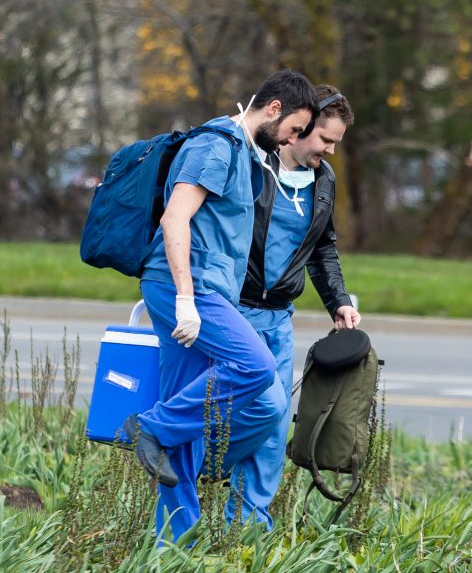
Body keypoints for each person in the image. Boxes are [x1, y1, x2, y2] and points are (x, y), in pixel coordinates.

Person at [128, 69, 319, 542]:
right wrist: (187, 300)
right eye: (294, 129)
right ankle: (150, 426)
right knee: (254, 368)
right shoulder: (215, 145)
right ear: (273, 109)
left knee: (186, 418)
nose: (295, 139)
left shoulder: (248, 154)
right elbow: (176, 219)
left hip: (203, 290)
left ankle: (172, 542)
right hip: (188, 289)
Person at [220, 85, 361, 529]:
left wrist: (337, 301)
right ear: (298, 128)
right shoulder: (252, 165)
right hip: (233, 312)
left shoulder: (323, 180)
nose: (330, 150)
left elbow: (323, 248)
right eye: (324, 139)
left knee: (274, 425)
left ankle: (245, 530)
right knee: (240, 411)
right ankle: (199, 472)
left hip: (278, 317)